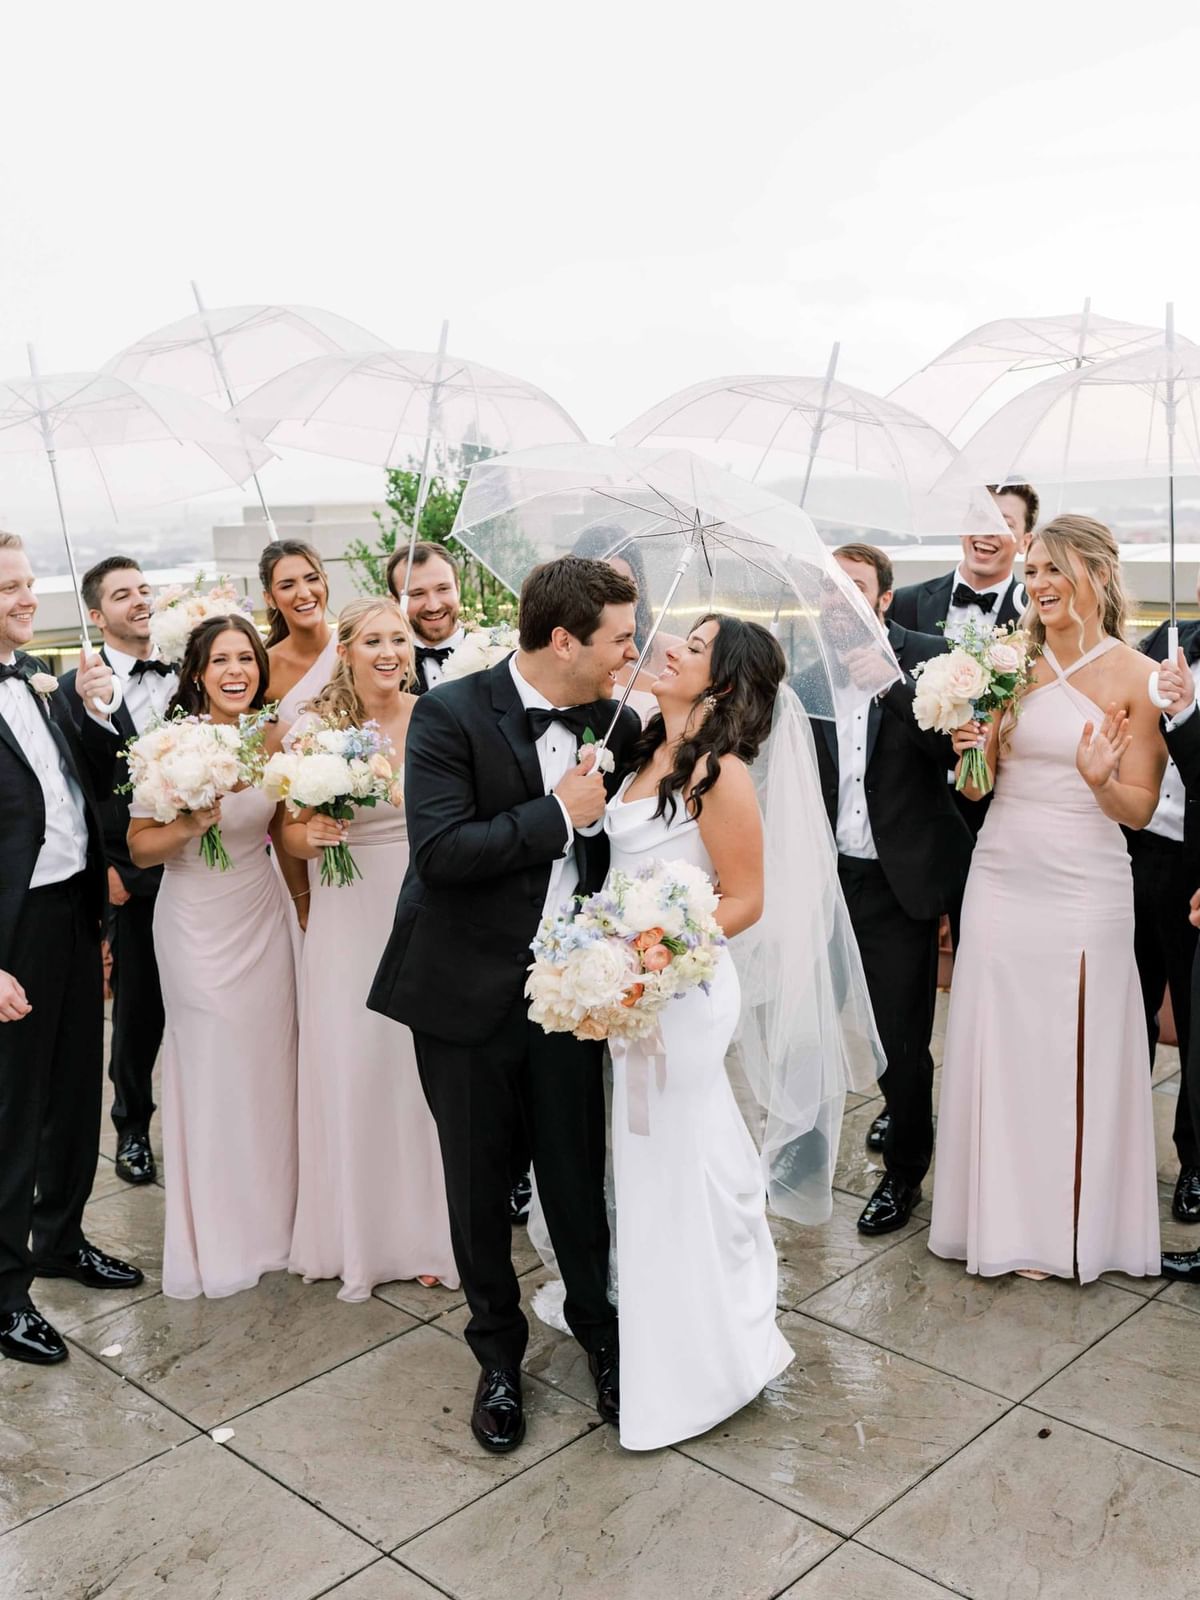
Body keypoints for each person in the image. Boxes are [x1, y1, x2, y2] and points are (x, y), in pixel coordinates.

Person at [368, 556, 642, 1452]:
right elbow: (441, 852)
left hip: (574, 996)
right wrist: (560, 814)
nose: (629, 654)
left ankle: (603, 1339)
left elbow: (618, 858)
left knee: (575, 1174)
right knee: (478, 1187)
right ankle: (496, 1355)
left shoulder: (621, 719)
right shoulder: (448, 712)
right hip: (463, 990)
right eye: (617, 639)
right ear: (563, 640)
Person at [930, 515, 1164, 1283]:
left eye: (1054, 570)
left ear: (1097, 573)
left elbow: (1138, 809)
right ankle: (1003, 1221)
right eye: (1033, 573)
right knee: (1004, 1040)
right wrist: (972, 752)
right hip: (1001, 871)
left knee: (1077, 1043)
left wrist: (1101, 780)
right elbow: (981, 786)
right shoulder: (1007, 659)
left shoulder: (1137, 674)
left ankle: (1072, 1223)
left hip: (1089, 879)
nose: (1040, 587)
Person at [605, 615, 797, 1448]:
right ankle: (663, 1321)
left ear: (719, 683)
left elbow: (747, 897)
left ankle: (698, 1362)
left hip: (681, 988)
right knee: (650, 1159)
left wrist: (660, 946)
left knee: (676, 1156)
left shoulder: (721, 774)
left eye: (696, 644)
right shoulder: (640, 745)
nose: (671, 644)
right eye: (680, 632)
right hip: (625, 981)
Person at [281, 599, 458, 1300]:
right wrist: (313, 835)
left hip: (419, 904)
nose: (390, 652)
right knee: (353, 1062)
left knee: (416, 1073)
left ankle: (422, 1233)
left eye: (400, 640)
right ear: (346, 649)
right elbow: (287, 834)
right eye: (375, 640)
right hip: (345, 909)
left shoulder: (436, 718)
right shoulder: (314, 730)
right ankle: (357, 1237)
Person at [0, 530, 143, 1367]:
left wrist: (94, 709)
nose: (26, 598)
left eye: (27, 582)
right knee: (12, 1111)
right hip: (8, 932)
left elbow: (102, 781)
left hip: (69, 913)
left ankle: (59, 1239)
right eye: (8, 587)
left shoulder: (43, 684)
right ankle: (5, 1290)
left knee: (71, 1095)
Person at [128, 615, 299, 1298]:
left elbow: (285, 830)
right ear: (197, 671)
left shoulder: (274, 736)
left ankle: (278, 1225)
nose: (237, 671)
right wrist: (193, 819)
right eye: (222, 660)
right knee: (214, 1068)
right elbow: (140, 846)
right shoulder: (169, 745)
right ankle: (221, 1236)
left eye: (247, 658)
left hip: (262, 911)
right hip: (197, 921)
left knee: (270, 1067)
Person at [812, 545, 972, 1236]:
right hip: (823, 879)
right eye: (826, 589)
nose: (835, 602)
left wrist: (891, 687)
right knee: (807, 1029)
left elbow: (956, 753)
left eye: (851, 589)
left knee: (901, 1043)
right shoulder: (803, 671)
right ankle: (798, 1158)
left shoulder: (932, 658)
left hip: (895, 882)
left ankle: (905, 1172)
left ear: (882, 599)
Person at [62, 556, 177, 1186]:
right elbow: (79, 789)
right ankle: (132, 1127)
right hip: (131, 877)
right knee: (139, 1013)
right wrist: (106, 871)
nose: (138, 600)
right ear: (95, 614)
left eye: (142, 589)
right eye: (121, 594)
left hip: (205, 868)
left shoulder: (190, 671)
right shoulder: (74, 690)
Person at [889, 483, 1039, 950]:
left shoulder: (1037, 617)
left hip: (995, 809)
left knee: (988, 945)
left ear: (1026, 540)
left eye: (1004, 525)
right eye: (979, 520)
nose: (987, 535)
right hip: (910, 811)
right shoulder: (906, 602)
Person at [1128, 592, 1200, 1221]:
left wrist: (1189, 711)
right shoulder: (1159, 641)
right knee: (1130, 1005)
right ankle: (1121, 1151)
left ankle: (1193, 1163)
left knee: (1196, 1019)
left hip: (1198, 866)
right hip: (1139, 846)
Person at [260, 539, 337, 719]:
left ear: (325, 580)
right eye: (287, 586)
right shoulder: (264, 670)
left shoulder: (356, 650)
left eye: (312, 579)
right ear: (269, 598)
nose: (304, 593)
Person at [386, 541, 465, 693]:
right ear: (395, 601)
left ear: (458, 589)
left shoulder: (497, 653)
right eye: (417, 594)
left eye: (443, 589)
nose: (433, 606)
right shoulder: (385, 666)